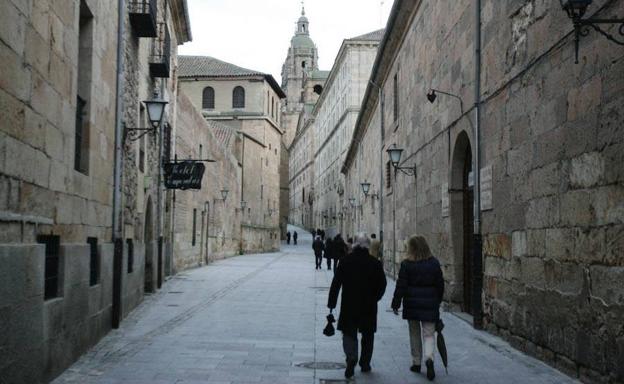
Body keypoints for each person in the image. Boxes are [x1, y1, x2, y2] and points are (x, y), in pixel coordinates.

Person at [328, 233, 387, 379]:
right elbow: (382, 284)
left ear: (354, 245)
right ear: (368, 246)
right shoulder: (375, 263)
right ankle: (365, 363)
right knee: (367, 334)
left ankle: (351, 357)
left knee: (349, 332)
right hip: (368, 305)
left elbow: (336, 284)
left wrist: (332, 303)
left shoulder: (345, 261)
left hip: (349, 303)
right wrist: (375, 298)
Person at [391, 235, 444, 381]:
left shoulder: (407, 264)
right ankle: (429, 359)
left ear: (412, 248)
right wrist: (437, 301)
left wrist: (396, 303)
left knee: (414, 333)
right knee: (428, 334)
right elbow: (440, 285)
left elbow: (401, 286)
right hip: (430, 304)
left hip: (412, 304)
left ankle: (416, 362)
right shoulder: (434, 263)